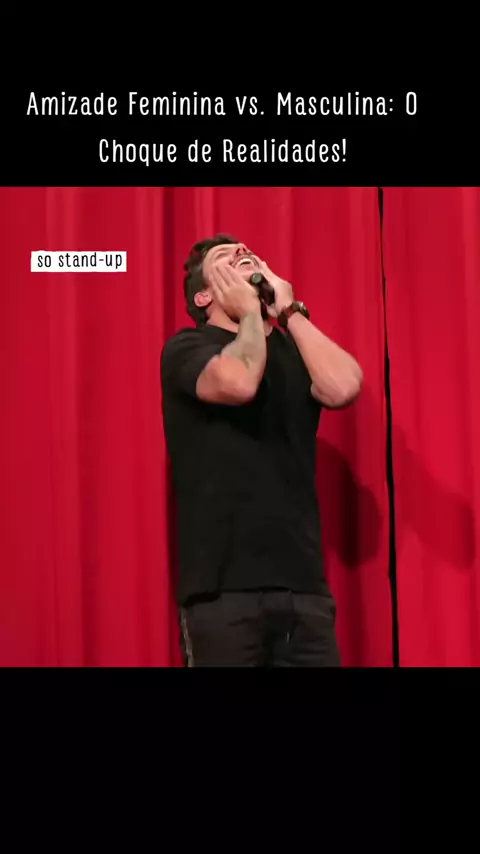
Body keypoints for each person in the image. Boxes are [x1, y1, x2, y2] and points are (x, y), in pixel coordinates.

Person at [160, 234, 363, 667]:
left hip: (303, 590)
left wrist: (288, 312)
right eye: (225, 258)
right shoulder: (188, 347)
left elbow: (344, 386)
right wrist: (251, 312)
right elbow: (239, 383)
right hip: (223, 593)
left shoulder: (293, 350)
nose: (242, 252)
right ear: (204, 295)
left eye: (247, 253)